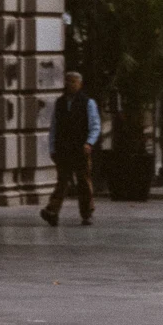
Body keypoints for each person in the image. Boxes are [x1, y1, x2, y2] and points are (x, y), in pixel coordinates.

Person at [40, 69, 101, 227]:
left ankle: (87, 213)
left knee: (83, 181)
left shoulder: (88, 103)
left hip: (80, 148)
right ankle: (52, 211)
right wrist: (52, 147)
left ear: (80, 84)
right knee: (62, 181)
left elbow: (95, 125)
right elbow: (54, 127)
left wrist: (89, 142)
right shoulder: (60, 103)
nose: (70, 84)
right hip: (63, 149)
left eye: (73, 81)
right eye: (68, 81)